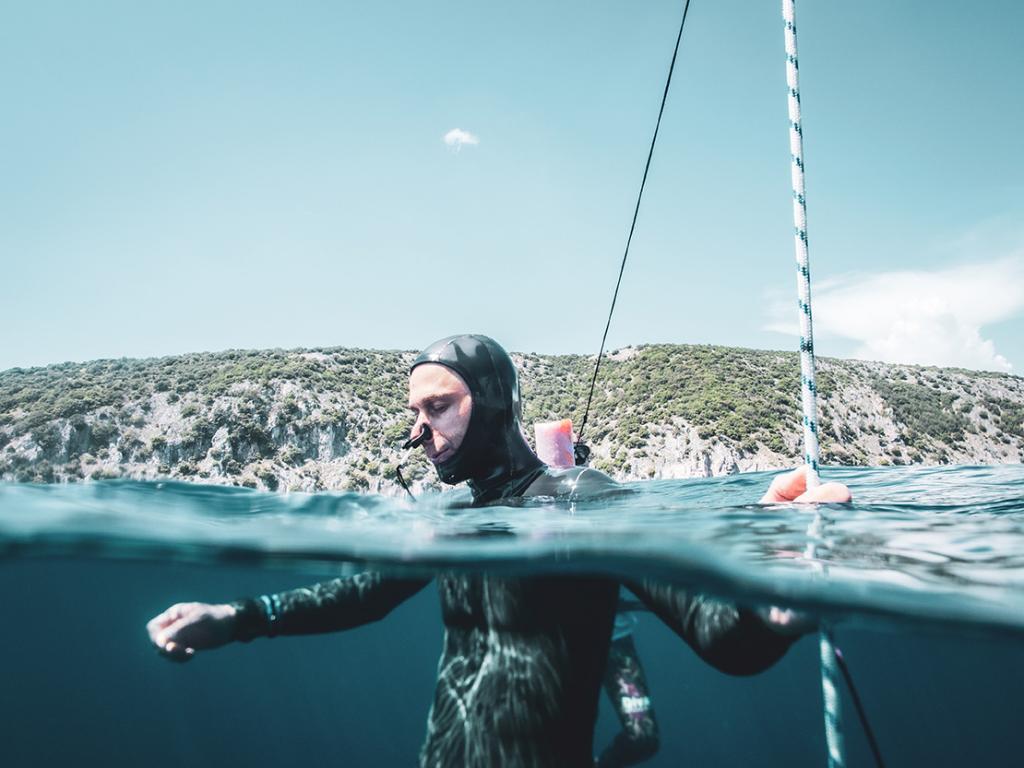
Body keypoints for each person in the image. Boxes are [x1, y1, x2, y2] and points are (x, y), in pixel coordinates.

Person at [147, 334, 850, 767]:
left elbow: (719, 637)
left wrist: (771, 603)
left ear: (492, 401)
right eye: (414, 413)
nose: (418, 430)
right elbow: (365, 595)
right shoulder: (452, 512)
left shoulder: (579, 498)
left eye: (438, 406)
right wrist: (238, 617)